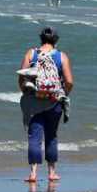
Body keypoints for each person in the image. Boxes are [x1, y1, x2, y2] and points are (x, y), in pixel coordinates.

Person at [17, 27, 74, 183]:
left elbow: (21, 77)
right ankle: (52, 172)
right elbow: (69, 81)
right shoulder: (61, 56)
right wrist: (63, 94)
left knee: (34, 136)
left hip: (33, 102)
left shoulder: (31, 54)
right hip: (54, 102)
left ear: (41, 38)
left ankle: (33, 174)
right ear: (56, 40)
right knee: (51, 136)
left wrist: (26, 92)